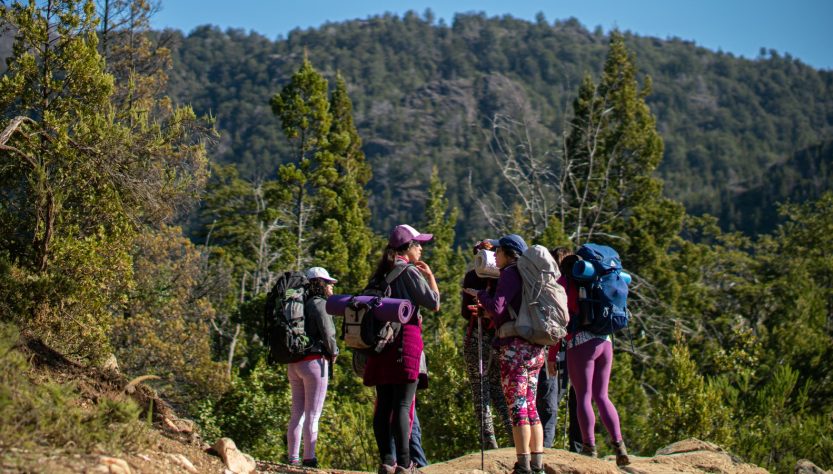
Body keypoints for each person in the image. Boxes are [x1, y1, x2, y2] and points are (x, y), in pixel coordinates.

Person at [465, 234, 546, 474]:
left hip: (515, 350)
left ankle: (523, 465)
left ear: (508, 253)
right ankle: (537, 464)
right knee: (531, 405)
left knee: (518, 406)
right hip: (535, 347)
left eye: (498, 252)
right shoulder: (529, 274)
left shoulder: (510, 273)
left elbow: (498, 306)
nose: (495, 256)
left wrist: (480, 296)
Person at [363, 224, 440, 474]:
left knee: (383, 403)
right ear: (407, 248)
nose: (421, 248)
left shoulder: (380, 273)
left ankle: (387, 461)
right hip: (404, 343)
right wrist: (430, 277)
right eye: (418, 244)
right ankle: (406, 464)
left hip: (381, 344)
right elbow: (433, 303)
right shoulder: (408, 272)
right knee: (403, 405)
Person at [565, 253, 630, 466]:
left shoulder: (569, 282)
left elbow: (566, 311)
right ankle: (619, 447)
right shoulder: (599, 279)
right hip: (606, 341)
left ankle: (589, 447)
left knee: (583, 396)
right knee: (602, 396)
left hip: (581, 342)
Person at [461, 240, 514, 449]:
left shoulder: (472, 277)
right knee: (499, 389)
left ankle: (489, 442)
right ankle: (514, 437)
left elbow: (466, 312)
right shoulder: (506, 277)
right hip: (499, 338)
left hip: (476, 336)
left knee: (480, 390)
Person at [286, 266, 339, 468]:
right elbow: (328, 333)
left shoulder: (296, 305)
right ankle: (310, 458)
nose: (332, 288)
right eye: (329, 284)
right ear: (321, 284)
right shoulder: (319, 304)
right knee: (313, 414)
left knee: (296, 413)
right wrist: (334, 352)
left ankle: (292, 458)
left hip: (294, 363)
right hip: (315, 363)